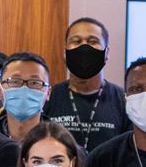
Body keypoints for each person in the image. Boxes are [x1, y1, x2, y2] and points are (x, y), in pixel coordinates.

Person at [44, 17, 126, 151]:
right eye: (76, 41)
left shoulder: (123, 100)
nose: (84, 47)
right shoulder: (49, 96)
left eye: (92, 41)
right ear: (65, 52)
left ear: (107, 53)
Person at [0, 51, 53, 145]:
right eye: (15, 81)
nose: (24, 89)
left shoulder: (62, 144)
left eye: (34, 83)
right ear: (0, 91)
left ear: (48, 93)